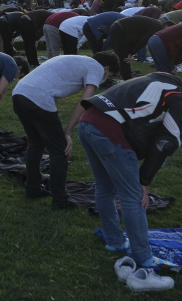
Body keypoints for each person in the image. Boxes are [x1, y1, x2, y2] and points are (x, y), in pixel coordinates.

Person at [76, 74, 182, 291]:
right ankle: (145, 264)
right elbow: (164, 144)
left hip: (87, 121)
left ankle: (115, 241)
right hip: (109, 130)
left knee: (104, 187)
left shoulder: (167, 80)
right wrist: (144, 182)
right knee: (133, 197)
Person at [12, 52, 119, 208]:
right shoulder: (96, 67)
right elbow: (86, 102)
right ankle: (60, 199)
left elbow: (51, 88)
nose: (105, 78)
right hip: (37, 96)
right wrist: (67, 132)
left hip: (19, 94)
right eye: (108, 75)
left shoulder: (76, 60)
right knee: (60, 151)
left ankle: (33, 187)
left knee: (36, 143)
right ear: (106, 68)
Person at [107, 16, 164, 80]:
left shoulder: (155, 24)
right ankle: (127, 80)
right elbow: (143, 41)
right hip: (120, 30)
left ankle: (114, 72)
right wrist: (131, 53)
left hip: (120, 28)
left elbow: (139, 38)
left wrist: (131, 51)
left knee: (123, 56)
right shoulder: (157, 27)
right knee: (125, 58)